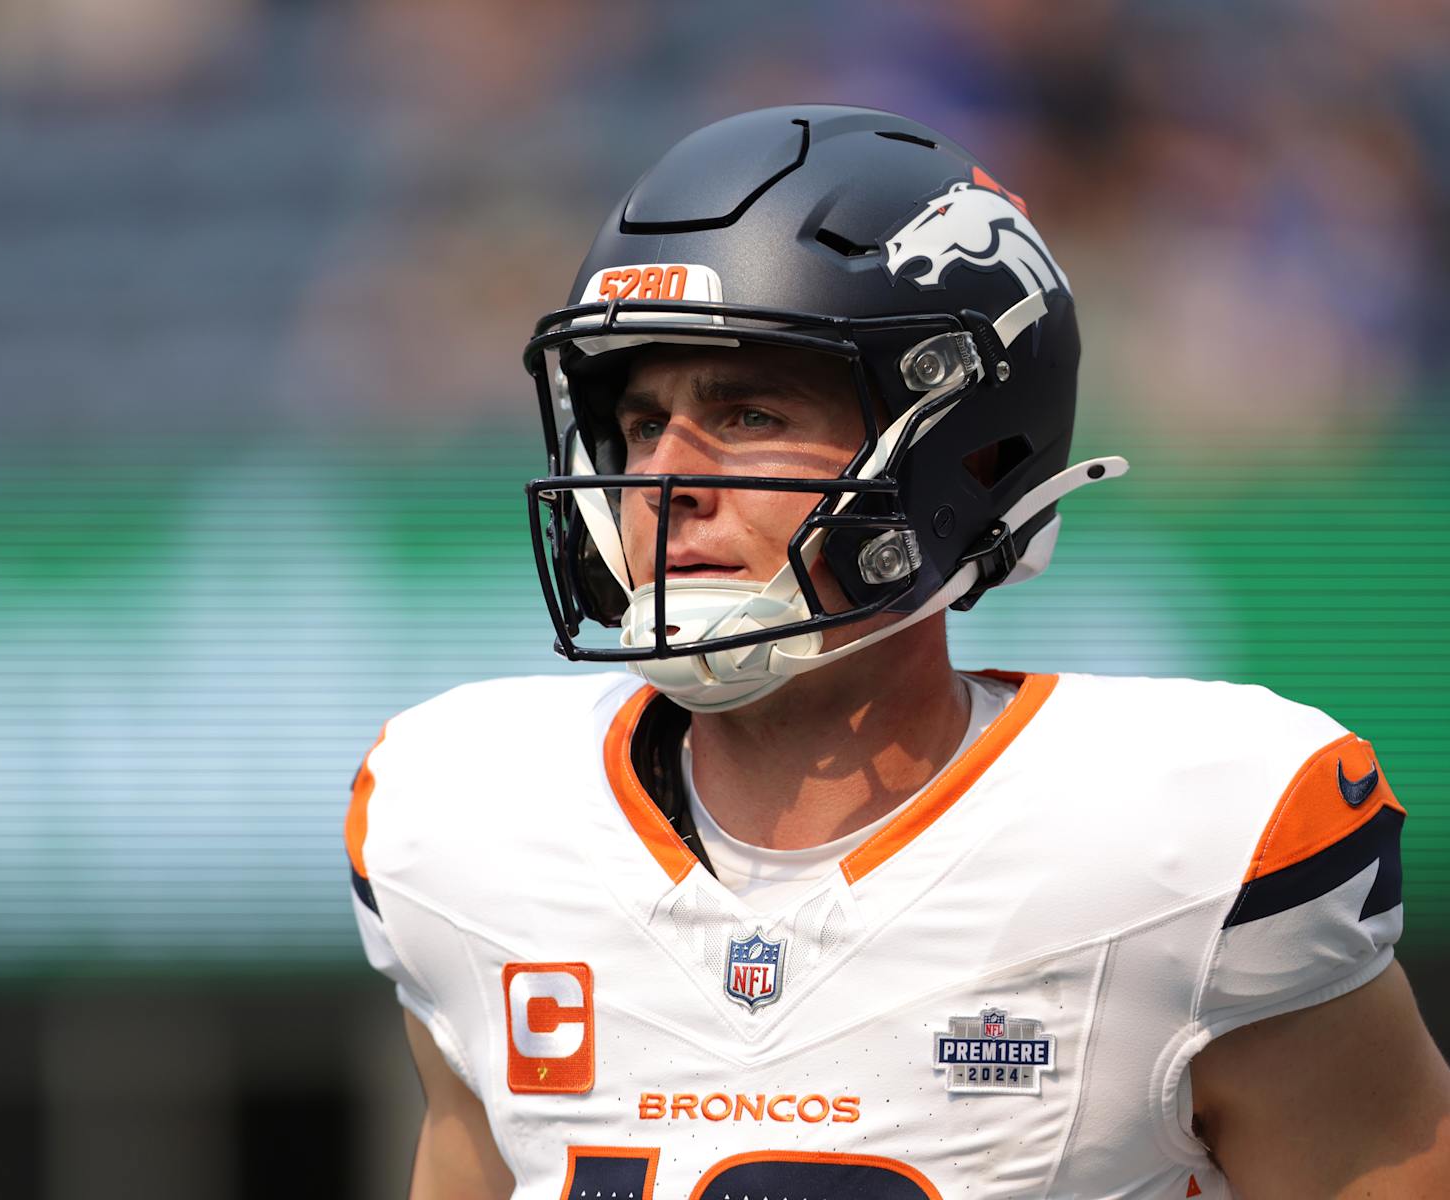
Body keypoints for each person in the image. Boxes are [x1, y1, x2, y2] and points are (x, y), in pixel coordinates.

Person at [346, 105, 1450, 1198]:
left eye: (745, 416)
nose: (664, 482)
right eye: (640, 424)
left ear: (961, 451)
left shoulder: (1189, 841)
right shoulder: (463, 823)